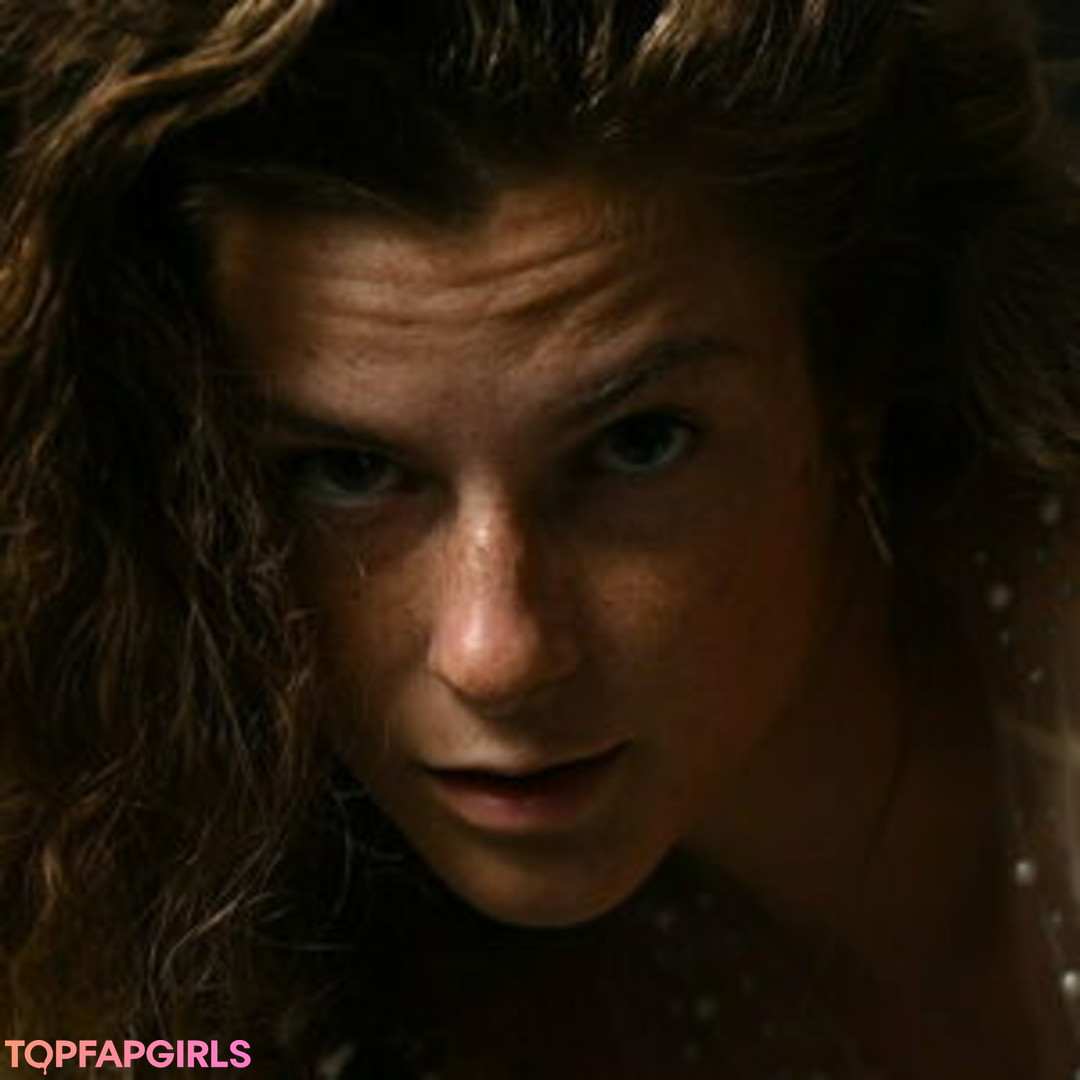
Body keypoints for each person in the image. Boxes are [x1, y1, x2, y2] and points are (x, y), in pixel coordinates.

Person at [1, 0, 1078, 1076]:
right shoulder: (280, 913)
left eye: (638, 444)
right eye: (350, 471)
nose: (498, 657)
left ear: (854, 378)